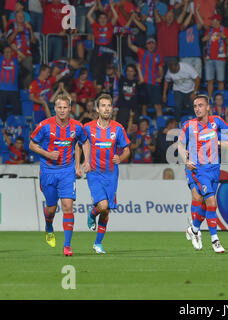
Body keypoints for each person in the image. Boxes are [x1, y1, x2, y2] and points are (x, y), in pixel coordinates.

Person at [179, 94, 228, 253]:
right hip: (198, 169)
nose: (197, 109)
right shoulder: (189, 125)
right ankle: (215, 240)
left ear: (208, 107)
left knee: (205, 203)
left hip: (215, 169)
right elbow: (180, 144)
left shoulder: (216, 122)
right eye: (195, 106)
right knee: (210, 201)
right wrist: (185, 160)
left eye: (200, 105)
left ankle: (194, 228)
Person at [29, 94, 90, 256]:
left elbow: (85, 141)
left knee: (68, 206)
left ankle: (67, 246)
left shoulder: (77, 126)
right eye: (59, 107)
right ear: (55, 109)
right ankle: (49, 226)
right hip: (48, 172)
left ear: (70, 108)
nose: (62, 111)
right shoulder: (45, 126)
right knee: (51, 208)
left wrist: (87, 161)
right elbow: (32, 144)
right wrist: (47, 154)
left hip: (67, 172)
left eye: (65, 107)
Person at [83, 94, 131, 254]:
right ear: (97, 109)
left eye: (109, 105)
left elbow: (127, 150)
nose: (106, 108)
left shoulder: (118, 128)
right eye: (103, 105)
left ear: (112, 108)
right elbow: (79, 144)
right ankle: (92, 213)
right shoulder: (88, 128)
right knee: (102, 206)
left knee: (106, 210)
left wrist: (121, 157)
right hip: (94, 173)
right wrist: (83, 162)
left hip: (111, 174)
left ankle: (98, 243)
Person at [127, 36, 163, 117]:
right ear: (146, 45)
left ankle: (161, 125)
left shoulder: (158, 56)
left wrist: (160, 77)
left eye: (152, 43)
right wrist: (128, 34)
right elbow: (130, 45)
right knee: (144, 106)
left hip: (155, 84)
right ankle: (145, 124)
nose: (151, 45)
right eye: (149, 44)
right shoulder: (142, 52)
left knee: (158, 106)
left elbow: (161, 69)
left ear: (155, 45)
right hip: (144, 83)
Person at [202, 13, 228, 100]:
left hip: (220, 58)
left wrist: (224, 37)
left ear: (218, 21)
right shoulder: (209, 31)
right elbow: (203, 40)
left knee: (220, 80)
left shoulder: (225, 30)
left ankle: (219, 99)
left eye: (212, 20)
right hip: (209, 59)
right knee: (209, 80)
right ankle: (210, 98)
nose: (211, 21)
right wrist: (204, 39)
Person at [0, 46, 22, 122]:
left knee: (17, 110)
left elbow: (23, 57)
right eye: (6, 52)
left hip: (14, 90)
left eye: (9, 52)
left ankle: (16, 126)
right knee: (1, 110)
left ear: (12, 53)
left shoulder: (15, 61)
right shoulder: (1, 60)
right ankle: (2, 126)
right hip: (2, 90)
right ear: (3, 53)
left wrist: (16, 49)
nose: (7, 53)